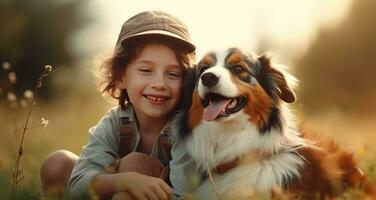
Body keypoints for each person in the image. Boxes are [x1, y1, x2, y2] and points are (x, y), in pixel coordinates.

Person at [40, 10, 198, 199]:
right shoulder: (115, 121)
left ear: (187, 81)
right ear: (121, 76)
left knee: (134, 171)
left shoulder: (185, 128)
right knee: (58, 163)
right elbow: (78, 184)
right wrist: (127, 180)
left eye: (173, 74)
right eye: (146, 70)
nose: (159, 84)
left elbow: (186, 194)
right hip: (114, 190)